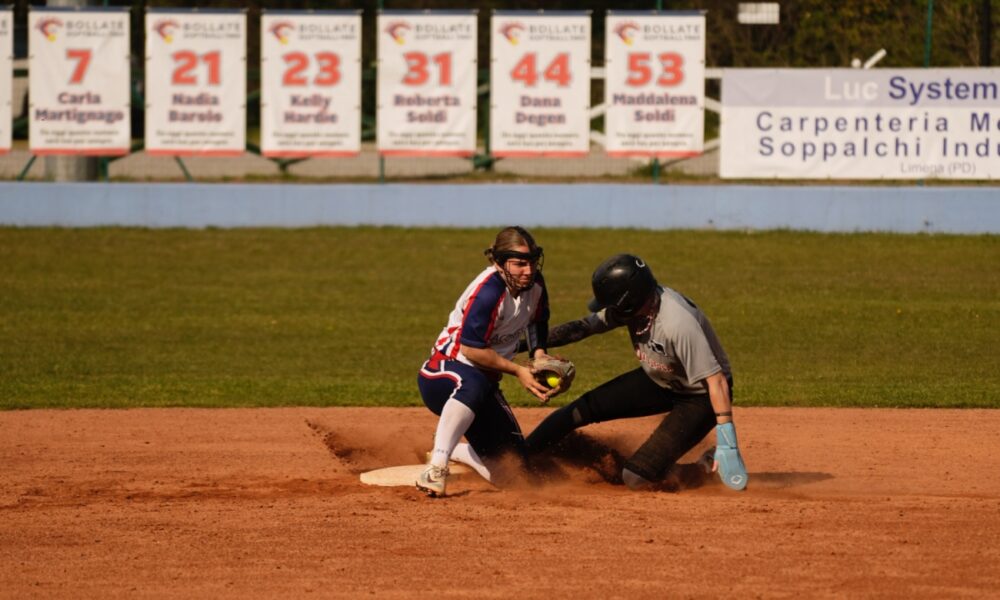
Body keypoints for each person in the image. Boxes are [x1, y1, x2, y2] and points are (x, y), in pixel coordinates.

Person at [525, 253, 748, 491]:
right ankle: (522, 455)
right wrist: (524, 345)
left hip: (699, 397)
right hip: (661, 380)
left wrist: (728, 443)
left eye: (612, 304)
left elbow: (717, 381)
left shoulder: (677, 324)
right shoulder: (639, 305)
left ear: (628, 301)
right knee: (578, 411)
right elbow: (584, 327)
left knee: (635, 477)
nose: (609, 310)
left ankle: (702, 468)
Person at [416, 226, 559, 497]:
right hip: (443, 374)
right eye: (519, 264)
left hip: (483, 385)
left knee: (516, 472)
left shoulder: (535, 285)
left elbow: (538, 320)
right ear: (499, 263)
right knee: (474, 383)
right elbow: (471, 350)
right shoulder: (488, 291)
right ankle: (436, 468)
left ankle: (455, 449)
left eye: (531, 262)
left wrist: (539, 355)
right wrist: (518, 371)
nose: (528, 270)